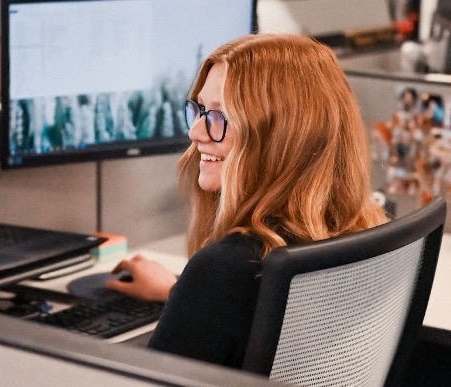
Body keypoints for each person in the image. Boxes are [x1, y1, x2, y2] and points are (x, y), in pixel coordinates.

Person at [104, 34, 388, 369]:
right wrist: (183, 296)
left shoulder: (228, 268)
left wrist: (199, 294)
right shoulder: (358, 233)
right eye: (199, 110)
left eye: (219, 116)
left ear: (279, 137)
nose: (196, 132)